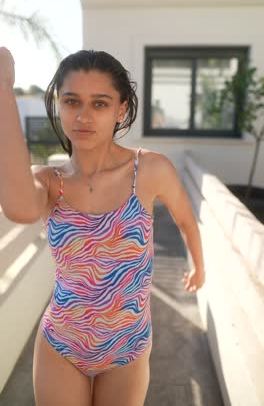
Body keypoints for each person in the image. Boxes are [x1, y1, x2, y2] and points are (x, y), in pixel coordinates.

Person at [0, 46, 205, 406]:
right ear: (59, 105)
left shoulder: (151, 170)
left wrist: (199, 267)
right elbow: (18, 207)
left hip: (128, 345)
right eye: (71, 101)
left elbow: (186, 219)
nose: (83, 116)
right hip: (61, 344)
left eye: (99, 103)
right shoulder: (49, 181)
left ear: (121, 109)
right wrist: (3, 88)